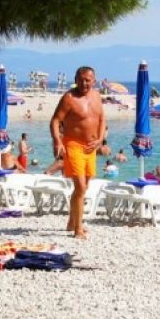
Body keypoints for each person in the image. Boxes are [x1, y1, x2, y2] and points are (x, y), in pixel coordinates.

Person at [50, 66, 107, 239]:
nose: (84, 83)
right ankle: (78, 229)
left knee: (84, 187)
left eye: (87, 80)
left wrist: (100, 139)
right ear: (75, 79)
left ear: (94, 81)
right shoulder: (68, 98)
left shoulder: (97, 96)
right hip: (73, 144)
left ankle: (71, 221)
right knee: (80, 186)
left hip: (91, 147)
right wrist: (57, 140)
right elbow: (55, 120)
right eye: (81, 79)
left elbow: (102, 119)